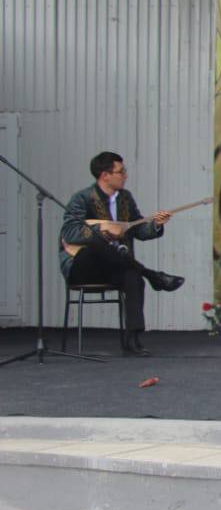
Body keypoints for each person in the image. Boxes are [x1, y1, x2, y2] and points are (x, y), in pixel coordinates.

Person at [59, 151, 184, 357]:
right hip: (83, 266)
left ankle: (132, 338)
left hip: (116, 265)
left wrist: (156, 224)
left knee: (134, 278)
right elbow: (69, 232)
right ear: (105, 175)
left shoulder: (125, 198)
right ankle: (152, 275)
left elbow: (138, 229)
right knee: (99, 243)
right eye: (121, 171)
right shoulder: (82, 198)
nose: (125, 175)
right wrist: (103, 228)